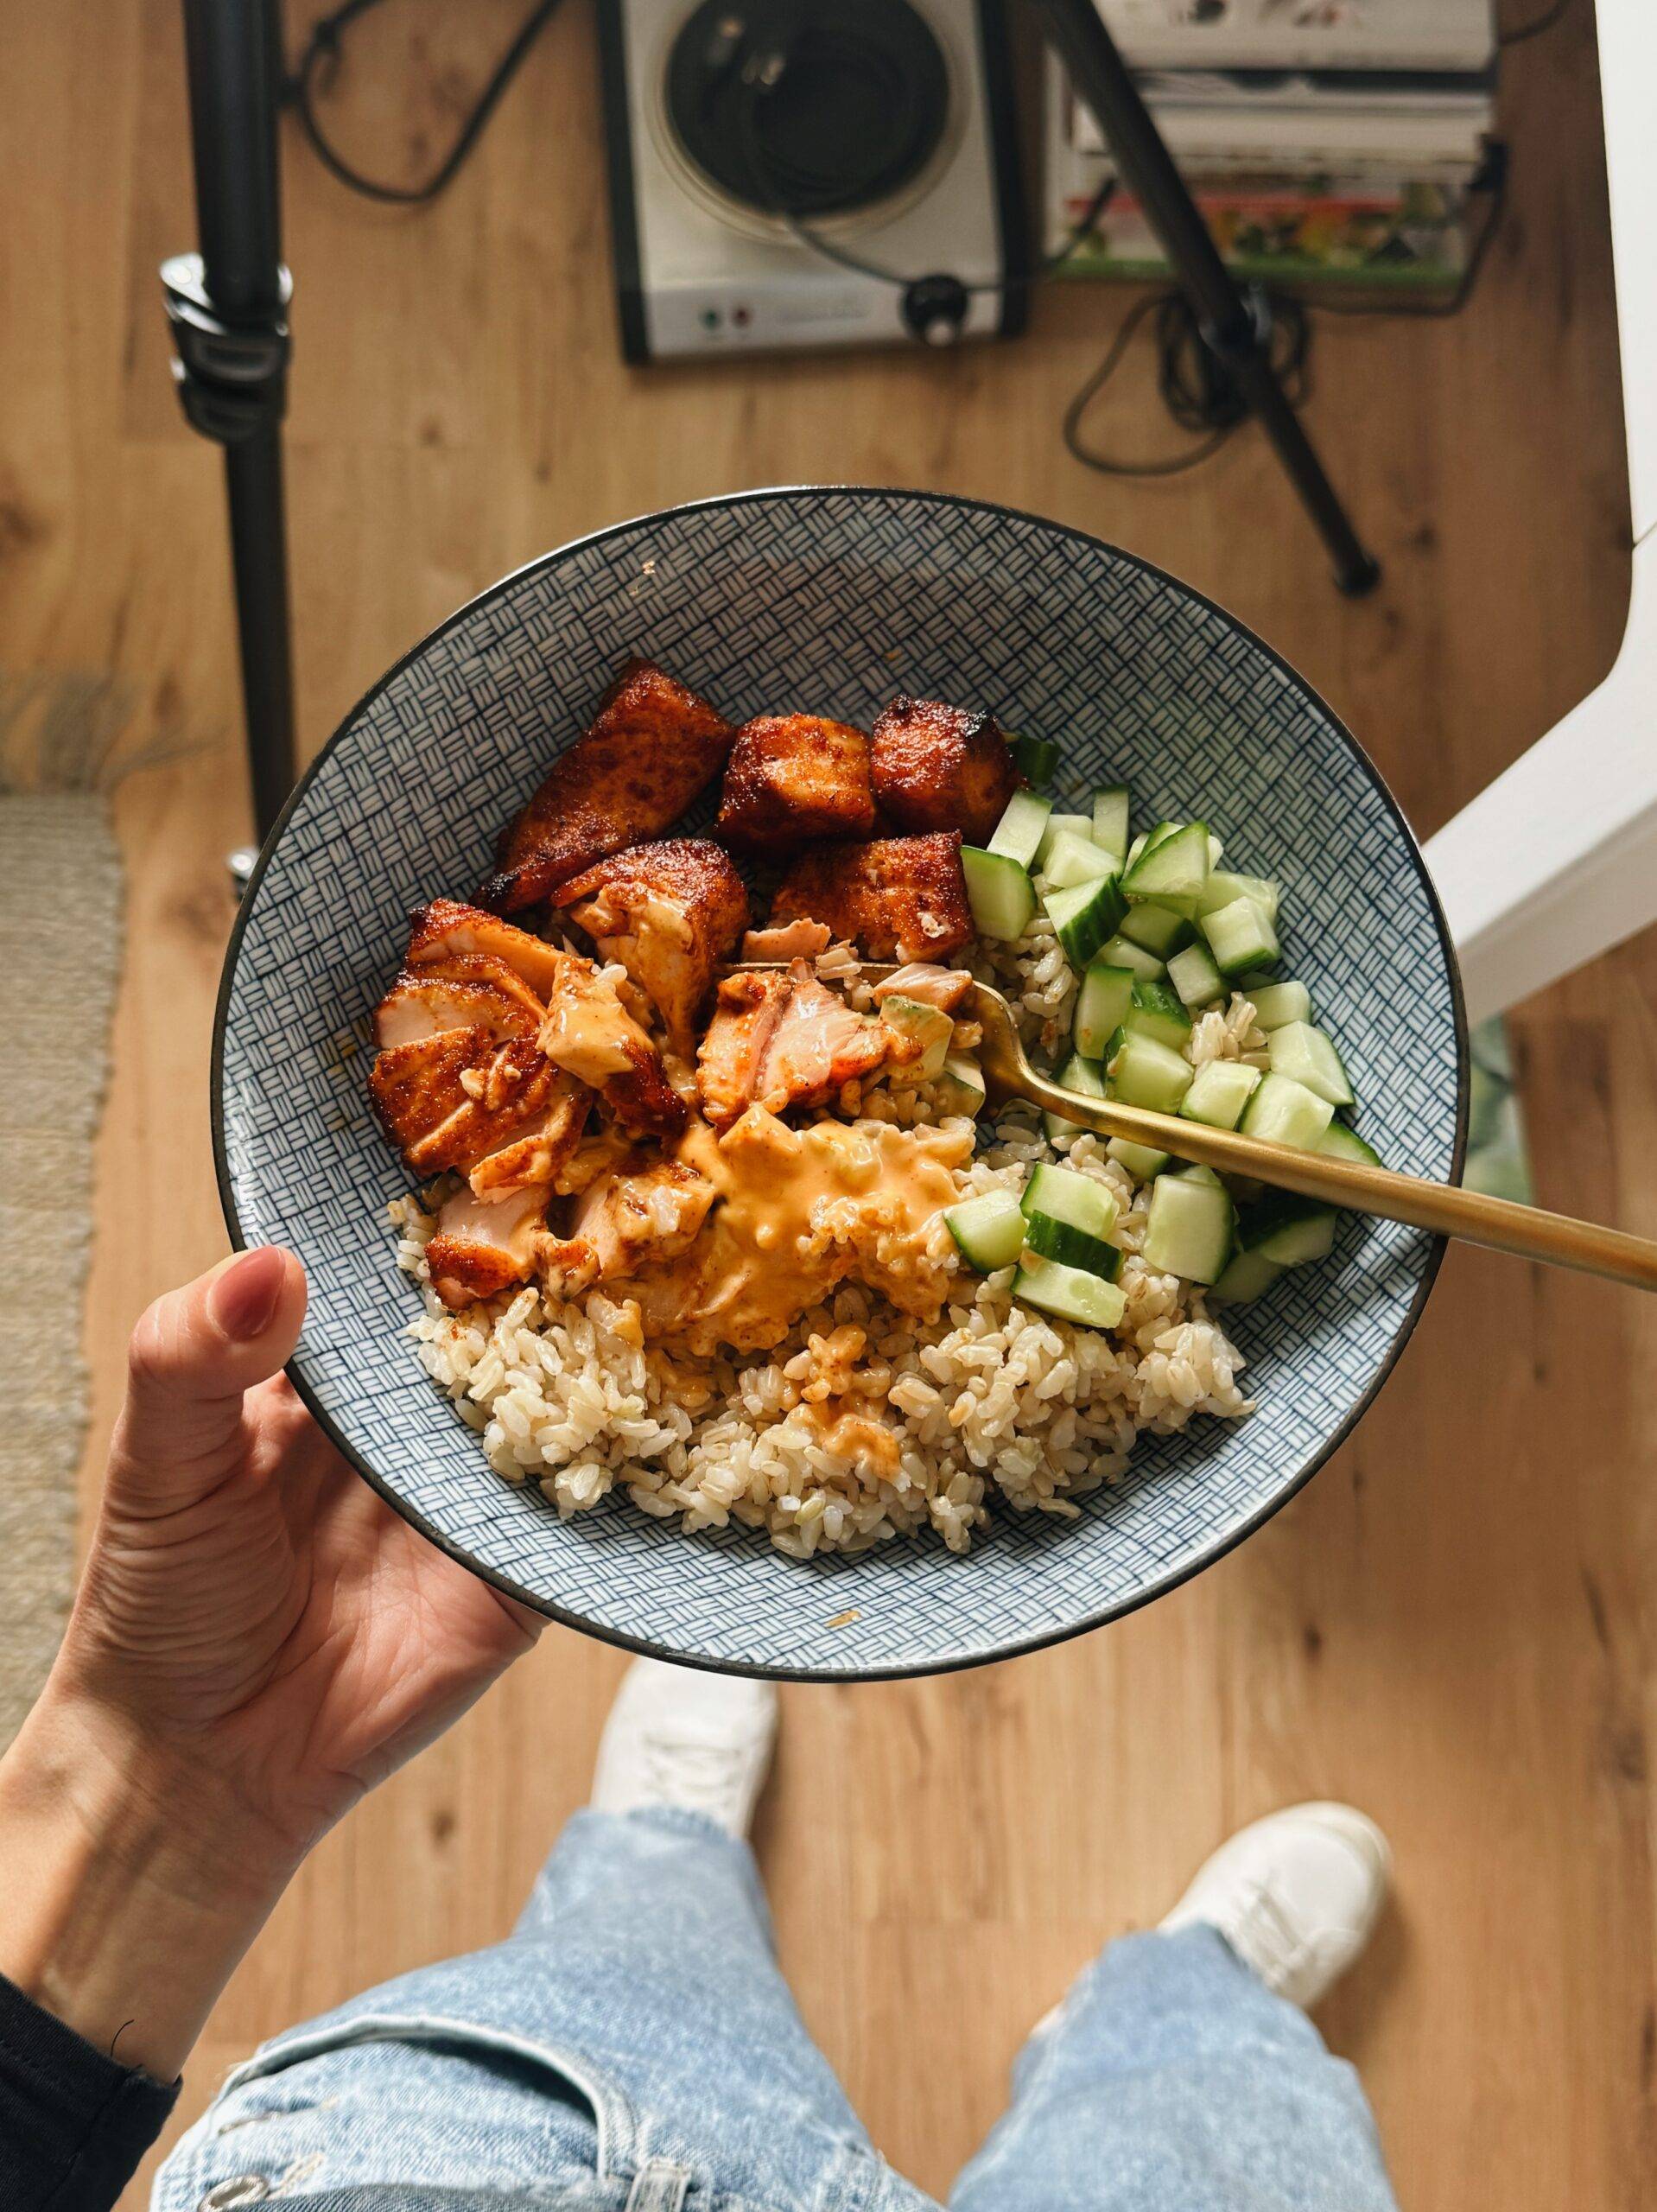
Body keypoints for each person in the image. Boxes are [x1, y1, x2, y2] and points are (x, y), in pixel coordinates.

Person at [0, 1247, 1402, 2212]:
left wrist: (167, 1782)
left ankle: (663, 1848)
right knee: (1217, 2120)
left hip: (473, 2153)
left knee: (634, 1963)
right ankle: (1185, 1997)